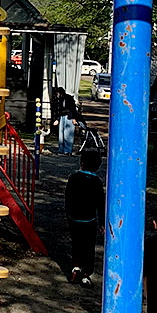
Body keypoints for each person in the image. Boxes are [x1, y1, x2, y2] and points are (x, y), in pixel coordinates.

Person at [64, 151, 105, 286]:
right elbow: (100, 204)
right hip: (90, 220)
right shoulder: (97, 182)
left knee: (76, 243)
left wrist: (68, 216)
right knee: (88, 247)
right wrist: (102, 223)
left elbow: (68, 198)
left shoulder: (73, 178)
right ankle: (86, 274)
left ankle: (75, 267)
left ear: (81, 163)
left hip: (74, 218)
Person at [51, 86, 82, 155]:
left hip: (69, 116)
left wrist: (74, 118)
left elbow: (73, 109)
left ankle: (67, 150)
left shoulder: (69, 98)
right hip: (62, 116)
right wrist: (57, 119)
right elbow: (58, 110)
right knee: (61, 134)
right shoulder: (59, 100)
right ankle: (62, 149)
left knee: (68, 134)